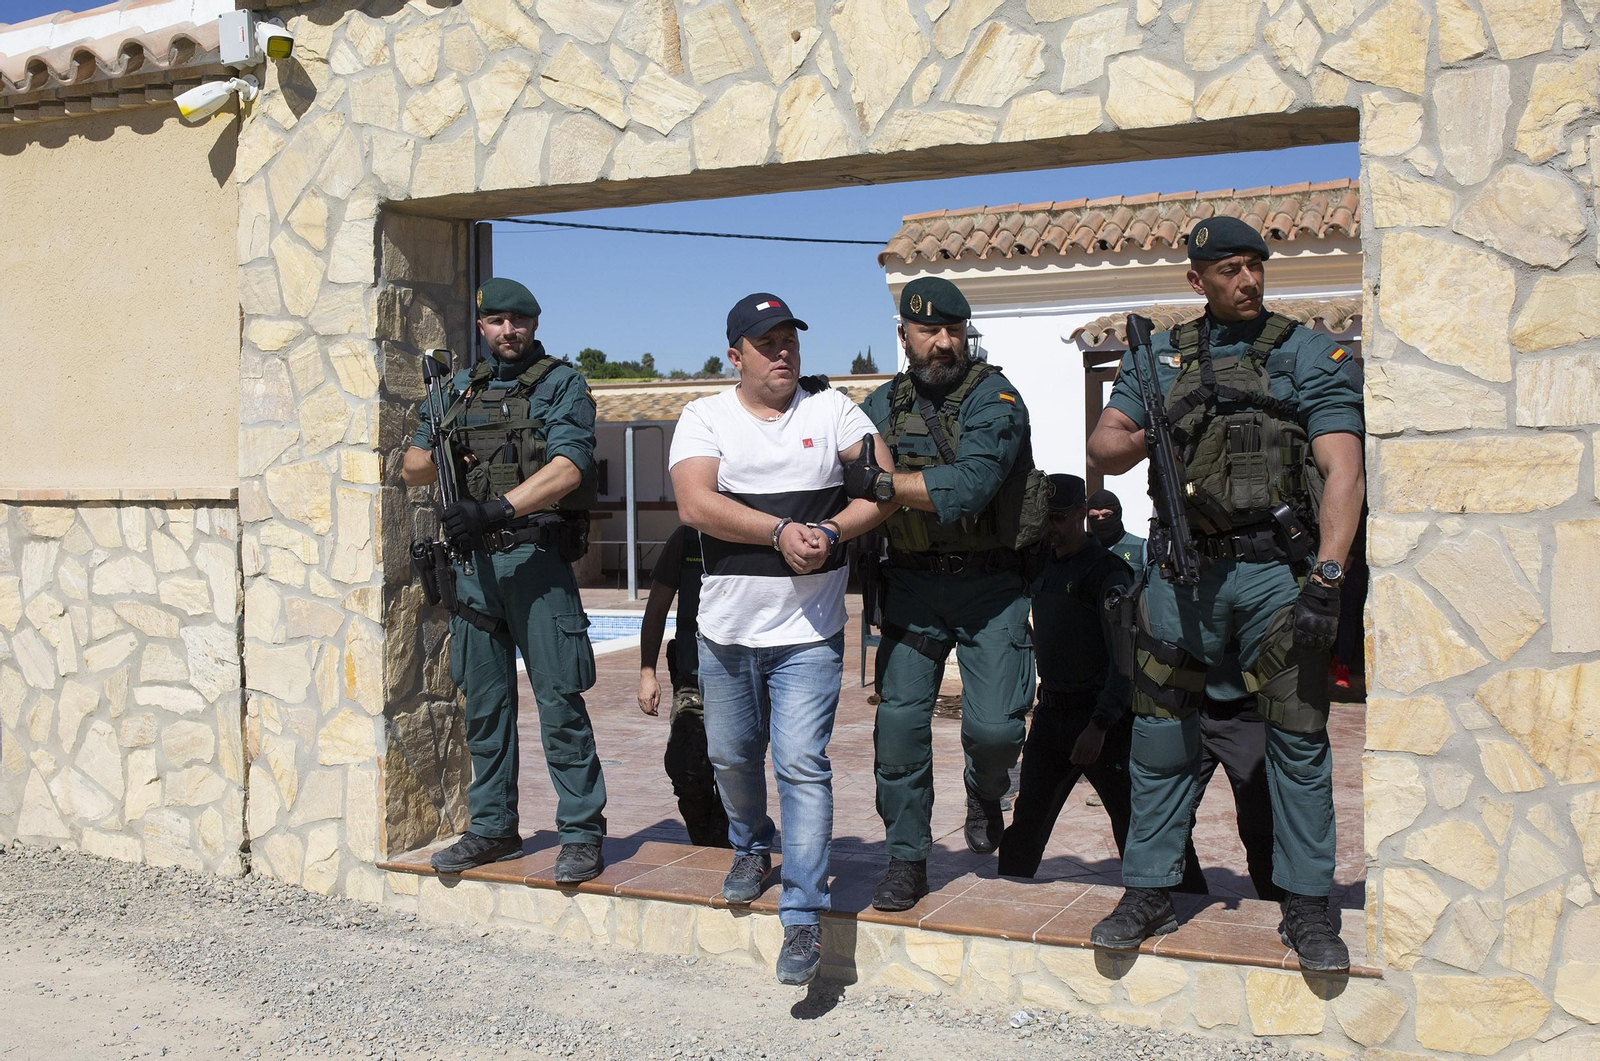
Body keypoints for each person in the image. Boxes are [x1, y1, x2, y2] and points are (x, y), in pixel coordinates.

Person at [1085, 216, 1365, 972]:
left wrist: (1328, 577)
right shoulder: (1159, 356)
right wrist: (1158, 426)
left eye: (1255, 266)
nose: (1247, 280)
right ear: (1197, 279)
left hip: (1275, 574)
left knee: (1298, 738)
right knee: (1159, 737)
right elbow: (1105, 446)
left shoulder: (1306, 351)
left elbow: (1343, 467)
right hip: (1184, 575)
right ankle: (1149, 888)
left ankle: (1308, 904)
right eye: (1230, 269)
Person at [669, 292, 893, 986]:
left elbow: (880, 488)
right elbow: (694, 502)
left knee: (800, 763)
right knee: (732, 756)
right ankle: (748, 843)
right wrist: (776, 532)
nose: (783, 352)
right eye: (766, 344)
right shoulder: (704, 415)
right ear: (735, 356)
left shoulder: (834, 411)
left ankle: (802, 914)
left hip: (809, 634)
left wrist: (830, 530)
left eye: (789, 339)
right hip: (726, 632)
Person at [401, 278, 608, 885]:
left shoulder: (560, 384)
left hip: (534, 563)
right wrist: (444, 453)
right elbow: (411, 467)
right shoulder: (455, 390)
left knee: (560, 704)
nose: (508, 331)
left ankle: (581, 833)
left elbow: (568, 468)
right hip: (473, 572)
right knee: (485, 708)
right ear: (483, 326)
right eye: (497, 321)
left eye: (519, 321)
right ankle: (492, 827)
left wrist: (495, 509)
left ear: (534, 325)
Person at [848, 276, 1045, 911]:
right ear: (904, 336)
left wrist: (881, 485)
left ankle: (986, 790)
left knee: (994, 730)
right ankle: (906, 858)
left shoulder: (996, 398)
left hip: (991, 585)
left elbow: (970, 485)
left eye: (953, 330)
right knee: (899, 729)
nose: (943, 342)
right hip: (911, 583)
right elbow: (831, 463)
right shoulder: (879, 405)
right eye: (928, 331)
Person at [997, 474, 1135, 878]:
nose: (1052, 527)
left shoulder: (1106, 571)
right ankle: (1007, 894)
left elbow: (1124, 659)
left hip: (1100, 722)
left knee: (1134, 822)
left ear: (1080, 515)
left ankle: (1176, 895)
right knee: (1027, 821)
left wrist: (1100, 724)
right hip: (1052, 715)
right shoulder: (1043, 563)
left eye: (1059, 518)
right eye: (1047, 518)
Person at [638, 524, 731, 848]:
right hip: (693, 677)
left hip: (745, 679)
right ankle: (708, 848)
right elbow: (656, 609)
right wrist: (647, 672)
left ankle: (731, 845)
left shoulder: (761, 528)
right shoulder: (687, 537)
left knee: (737, 772)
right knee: (687, 769)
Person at [1086, 488, 1145, 568]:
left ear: (1118, 514)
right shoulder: (1082, 551)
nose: (1101, 520)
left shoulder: (1140, 547)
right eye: (1095, 517)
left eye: (1106, 515)